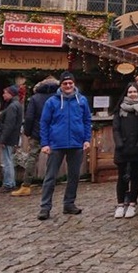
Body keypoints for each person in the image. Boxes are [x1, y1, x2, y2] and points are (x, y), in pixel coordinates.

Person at [37, 71, 92, 220]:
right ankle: (45, 207)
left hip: (76, 143)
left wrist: (86, 139)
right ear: (60, 85)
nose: (68, 85)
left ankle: (69, 204)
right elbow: (44, 123)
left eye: (70, 83)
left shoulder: (82, 100)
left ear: (74, 84)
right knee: (50, 177)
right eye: (65, 83)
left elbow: (87, 121)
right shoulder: (52, 102)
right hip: (56, 144)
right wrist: (45, 143)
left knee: (74, 176)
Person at [13, 75, 59, 196]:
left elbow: (29, 117)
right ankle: (50, 184)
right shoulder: (59, 97)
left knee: (32, 158)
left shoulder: (35, 98)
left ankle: (26, 185)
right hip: (55, 132)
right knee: (54, 158)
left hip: (37, 132)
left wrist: (28, 132)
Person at [113, 82, 138, 219]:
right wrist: (119, 143)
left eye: (135, 92)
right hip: (122, 148)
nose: (132, 94)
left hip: (137, 148)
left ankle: (132, 203)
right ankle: (120, 204)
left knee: (135, 177)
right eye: (130, 92)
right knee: (122, 178)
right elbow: (116, 128)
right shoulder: (120, 109)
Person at [0, 85, 23, 192]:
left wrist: (3, 139)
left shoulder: (12, 106)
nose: (3, 95)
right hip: (13, 136)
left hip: (9, 137)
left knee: (7, 161)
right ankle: (10, 183)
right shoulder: (17, 105)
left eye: (5, 93)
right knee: (9, 160)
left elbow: (9, 125)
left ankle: (8, 183)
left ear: (11, 94)